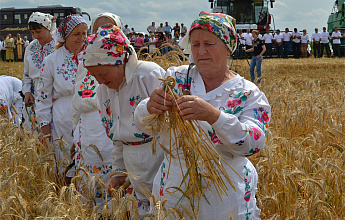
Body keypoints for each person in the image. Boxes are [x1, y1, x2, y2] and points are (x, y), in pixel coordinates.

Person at [134, 11, 271, 219]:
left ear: (228, 48)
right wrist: (149, 107)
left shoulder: (247, 92)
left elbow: (254, 143)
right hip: (174, 186)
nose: (201, 51)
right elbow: (143, 126)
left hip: (225, 190)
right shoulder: (176, 77)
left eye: (209, 43)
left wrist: (214, 116)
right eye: (195, 44)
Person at [83, 24, 164, 217]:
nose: (100, 81)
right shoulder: (103, 90)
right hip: (133, 168)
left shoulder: (148, 75)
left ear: (119, 61)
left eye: (103, 74)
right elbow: (117, 138)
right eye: (95, 76)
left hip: (159, 160)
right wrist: (119, 172)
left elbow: (171, 127)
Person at [71, 13, 129, 212]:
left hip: (115, 130)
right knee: (90, 179)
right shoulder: (84, 63)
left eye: (109, 28)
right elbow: (76, 100)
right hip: (89, 130)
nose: (103, 33)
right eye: (98, 29)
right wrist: (74, 136)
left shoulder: (128, 64)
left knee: (115, 179)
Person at [36, 15, 88, 184]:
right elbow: (42, 97)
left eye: (84, 33)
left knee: (90, 161)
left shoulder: (93, 56)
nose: (81, 38)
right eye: (76, 34)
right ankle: (66, 201)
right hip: (63, 119)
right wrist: (45, 128)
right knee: (66, 162)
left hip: (90, 115)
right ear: (65, 35)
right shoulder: (51, 60)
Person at [22, 12, 56, 133]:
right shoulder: (30, 48)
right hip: (34, 95)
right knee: (36, 133)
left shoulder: (58, 47)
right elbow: (26, 74)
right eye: (32, 32)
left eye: (38, 31)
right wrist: (26, 92)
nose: (35, 36)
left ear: (48, 28)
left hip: (53, 94)